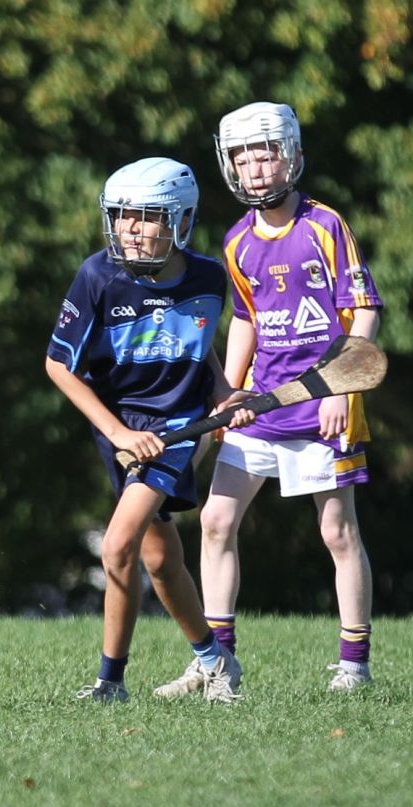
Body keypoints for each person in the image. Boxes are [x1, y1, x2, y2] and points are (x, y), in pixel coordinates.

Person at [155, 102, 384, 699]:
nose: (256, 168)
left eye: (267, 154)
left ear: (293, 158)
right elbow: (247, 323)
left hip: (324, 400)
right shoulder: (235, 242)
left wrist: (341, 382)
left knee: (337, 531)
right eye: (242, 157)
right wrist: (229, 397)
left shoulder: (325, 226)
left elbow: (364, 310)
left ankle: (353, 666)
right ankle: (217, 662)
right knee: (215, 520)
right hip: (263, 403)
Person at [45, 157, 254, 704]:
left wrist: (223, 395)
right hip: (118, 425)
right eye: (122, 217)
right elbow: (58, 367)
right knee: (161, 560)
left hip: (180, 426)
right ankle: (216, 660)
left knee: (118, 547)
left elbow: (198, 347)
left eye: (147, 217)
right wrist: (116, 433)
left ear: (180, 220)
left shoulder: (209, 277)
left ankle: (109, 683)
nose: (130, 229)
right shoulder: (98, 275)